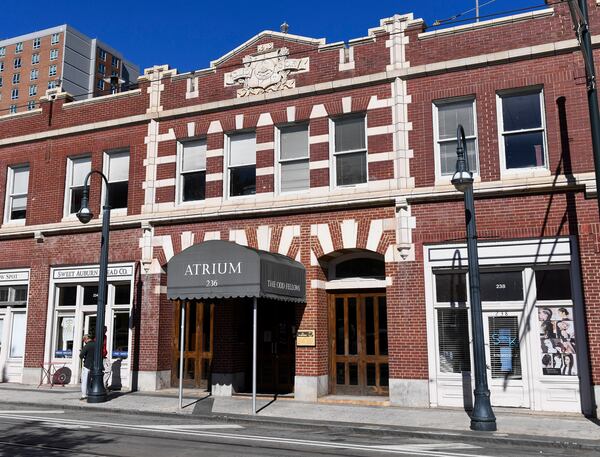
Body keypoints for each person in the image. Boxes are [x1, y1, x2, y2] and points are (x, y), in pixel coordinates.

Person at [79, 334, 95, 400]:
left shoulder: (87, 346)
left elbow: (81, 355)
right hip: (95, 365)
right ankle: (90, 392)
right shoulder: (96, 344)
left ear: (86, 339)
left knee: (85, 380)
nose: (84, 342)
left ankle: (84, 395)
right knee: (91, 380)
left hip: (87, 365)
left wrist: (82, 352)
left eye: (84, 340)